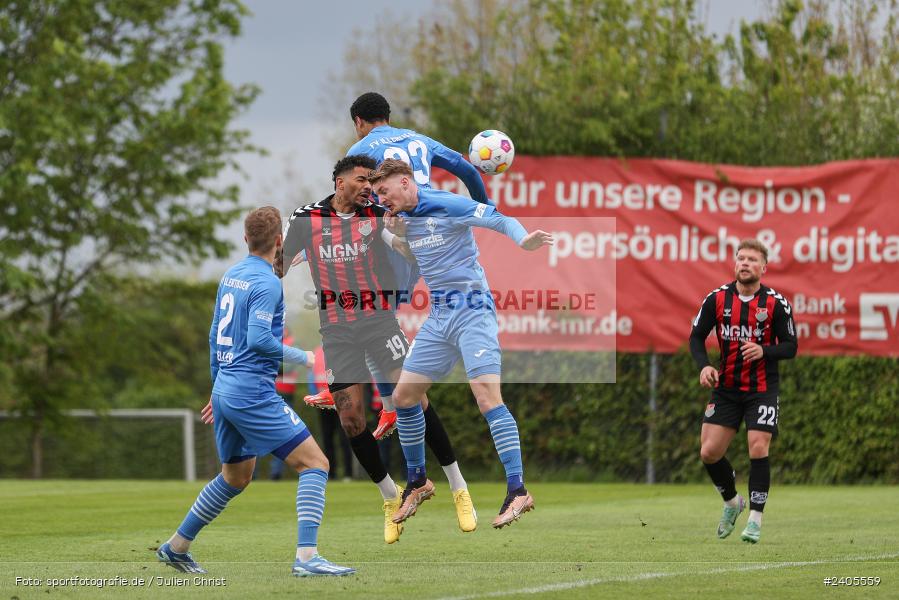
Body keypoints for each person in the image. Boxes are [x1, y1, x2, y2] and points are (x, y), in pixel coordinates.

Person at [278, 155, 476, 544]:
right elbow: (279, 266)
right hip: (335, 332)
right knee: (350, 418)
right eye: (362, 179)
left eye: (373, 180)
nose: (369, 185)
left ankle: (458, 486)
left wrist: (401, 235)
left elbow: (406, 251)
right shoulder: (307, 218)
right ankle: (391, 496)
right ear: (339, 182)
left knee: (413, 397)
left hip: (380, 321)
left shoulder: (376, 213)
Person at [156, 207, 354, 577]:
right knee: (316, 464)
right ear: (279, 242)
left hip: (227, 389)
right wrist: (307, 357)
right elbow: (259, 340)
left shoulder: (232, 275)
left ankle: (176, 547)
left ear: (245, 239)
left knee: (235, 477)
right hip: (251, 392)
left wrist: (218, 390)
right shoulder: (266, 283)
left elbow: (215, 336)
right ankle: (308, 559)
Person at [368, 159, 553, 530]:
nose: (381, 199)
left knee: (487, 399)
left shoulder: (447, 204)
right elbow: (414, 254)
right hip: (438, 317)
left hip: (472, 311)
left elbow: (498, 218)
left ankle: (518, 490)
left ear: (405, 182)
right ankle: (418, 481)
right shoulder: (405, 217)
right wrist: (392, 235)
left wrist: (523, 239)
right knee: (404, 397)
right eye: (377, 195)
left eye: (384, 192)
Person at [306, 91, 493, 438]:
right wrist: (485, 204)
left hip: (390, 236)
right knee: (378, 315)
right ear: (387, 116)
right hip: (423, 238)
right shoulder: (419, 139)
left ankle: (370, 395)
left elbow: (347, 196)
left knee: (365, 311)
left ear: (359, 123)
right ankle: (376, 396)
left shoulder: (360, 151)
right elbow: (466, 167)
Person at [689, 238, 797, 544]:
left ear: (764, 267)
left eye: (752, 259)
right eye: (741, 258)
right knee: (709, 452)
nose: (745, 263)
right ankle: (732, 502)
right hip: (727, 388)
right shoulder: (717, 299)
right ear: (735, 264)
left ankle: (755, 520)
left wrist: (765, 351)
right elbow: (696, 337)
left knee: (758, 447)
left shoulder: (777, 303)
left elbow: (791, 347)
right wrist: (704, 365)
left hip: (762, 388)